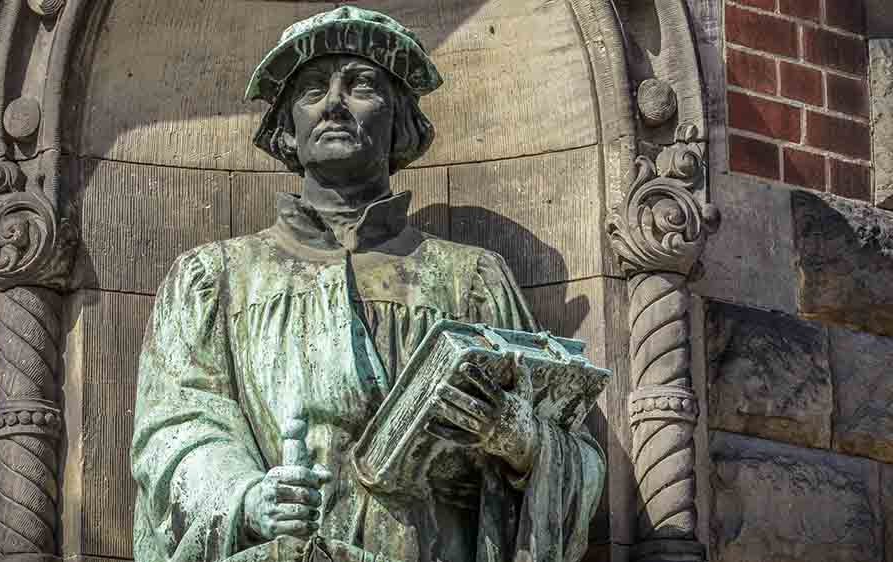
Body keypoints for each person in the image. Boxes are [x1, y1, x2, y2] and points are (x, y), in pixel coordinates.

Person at [131, 7, 605, 562]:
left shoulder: (472, 278)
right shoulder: (217, 278)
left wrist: (518, 438)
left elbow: (578, 458)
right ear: (287, 126)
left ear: (398, 117)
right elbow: (175, 432)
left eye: (360, 86)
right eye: (310, 90)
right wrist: (246, 498)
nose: (333, 103)